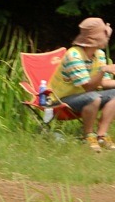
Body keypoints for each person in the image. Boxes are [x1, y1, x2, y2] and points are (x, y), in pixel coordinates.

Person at [48, 17, 115, 151]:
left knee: (104, 95)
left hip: (85, 96)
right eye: (105, 35)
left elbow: (103, 83)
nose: (107, 38)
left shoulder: (99, 54)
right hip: (60, 101)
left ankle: (101, 135)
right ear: (94, 39)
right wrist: (103, 70)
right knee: (94, 98)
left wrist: (105, 73)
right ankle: (88, 136)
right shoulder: (74, 55)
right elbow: (88, 87)